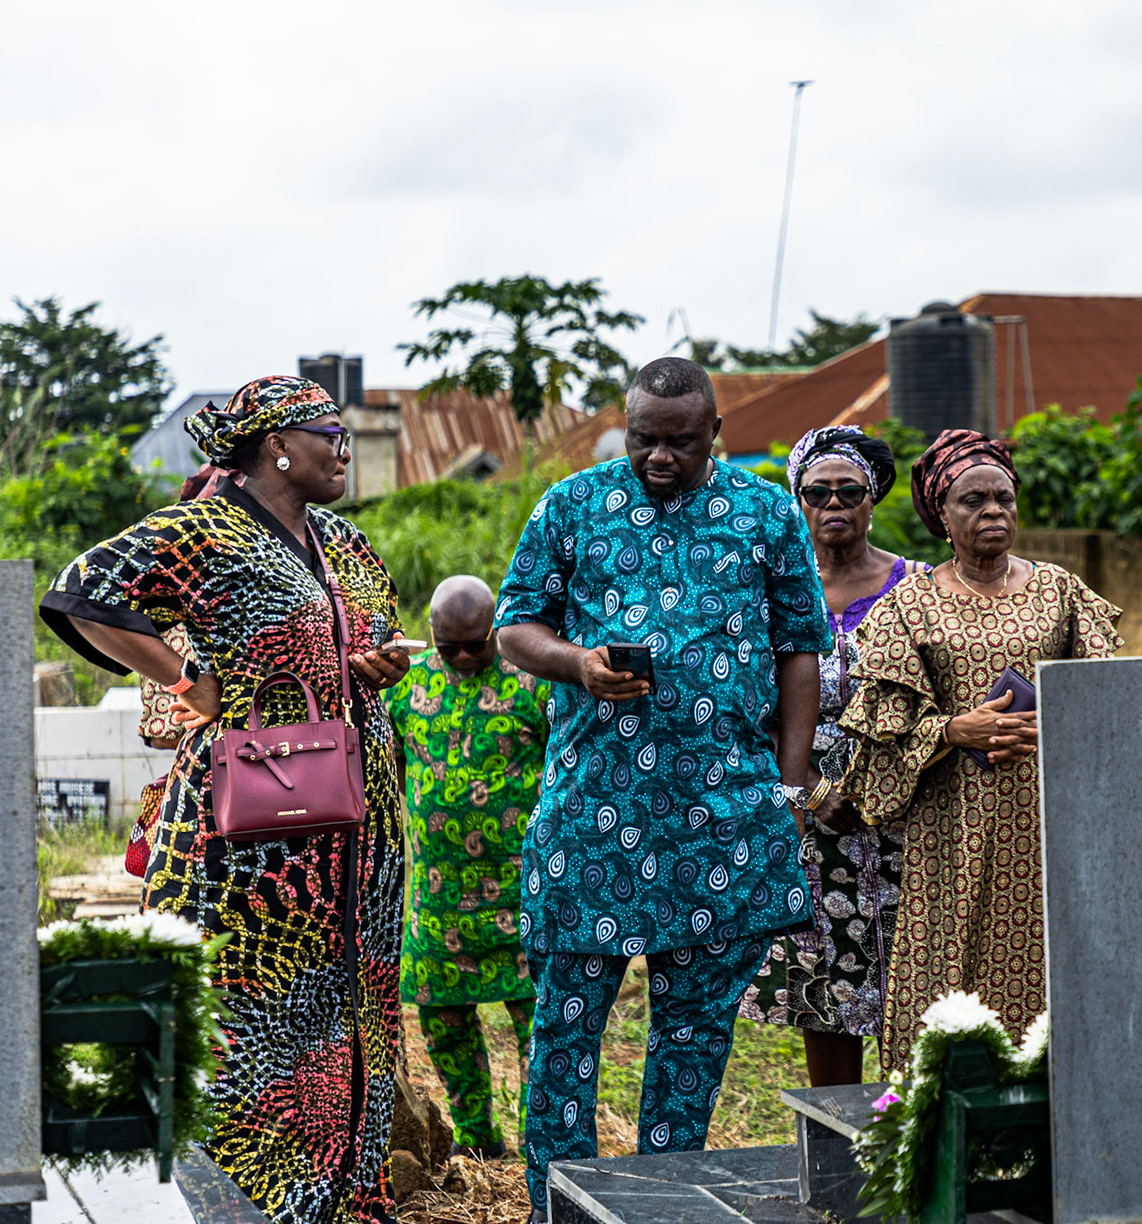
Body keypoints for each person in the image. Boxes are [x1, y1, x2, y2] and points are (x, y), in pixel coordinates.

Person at [39, 376, 411, 1224]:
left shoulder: (346, 543)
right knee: (248, 1018)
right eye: (329, 434)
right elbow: (81, 593)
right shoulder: (205, 531)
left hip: (358, 826)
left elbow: (361, 637)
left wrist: (377, 662)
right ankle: (244, 1204)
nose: (344, 449)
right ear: (276, 445)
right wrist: (186, 678)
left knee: (355, 1009)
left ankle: (348, 1195)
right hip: (249, 845)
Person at [495, 357, 830, 1219]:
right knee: (565, 1031)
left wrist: (790, 789)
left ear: (715, 432)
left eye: (681, 442)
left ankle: (660, 1207)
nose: (659, 457)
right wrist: (579, 663)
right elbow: (514, 626)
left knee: (693, 1036)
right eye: (644, 438)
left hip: (722, 820)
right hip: (591, 818)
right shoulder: (571, 505)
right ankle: (556, 1210)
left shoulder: (766, 513)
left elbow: (800, 650)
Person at [836, 429, 1121, 1071]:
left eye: (1003, 498)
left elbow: (1108, 699)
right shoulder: (908, 607)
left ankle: (1055, 1107)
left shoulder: (1061, 594)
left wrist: (1059, 722)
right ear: (941, 514)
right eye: (973, 500)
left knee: (1050, 956)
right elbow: (881, 736)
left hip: (1046, 824)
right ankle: (943, 1110)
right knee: (950, 967)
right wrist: (952, 730)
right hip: (951, 827)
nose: (993, 510)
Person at [739, 426, 924, 1087]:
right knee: (824, 980)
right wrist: (811, 788)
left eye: (850, 490)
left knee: (918, 981)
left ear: (873, 499)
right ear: (799, 502)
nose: (834, 503)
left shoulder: (919, 588)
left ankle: (910, 1128)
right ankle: (837, 1135)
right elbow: (744, 703)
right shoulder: (771, 593)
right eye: (818, 492)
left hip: (908, 815)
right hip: (808, 816)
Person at [383, 574, 546, 1159]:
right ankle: (478, 1140)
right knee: (443, 1019)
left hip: (521, 889)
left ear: (496, 628)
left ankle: (541, 1140)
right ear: (430, 634)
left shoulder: (533, 682)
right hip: (438, 895)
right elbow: (388, 766)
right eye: (448, 646)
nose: (462, 657)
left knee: (539, 1020)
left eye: (475, 644)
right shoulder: (406, 686)